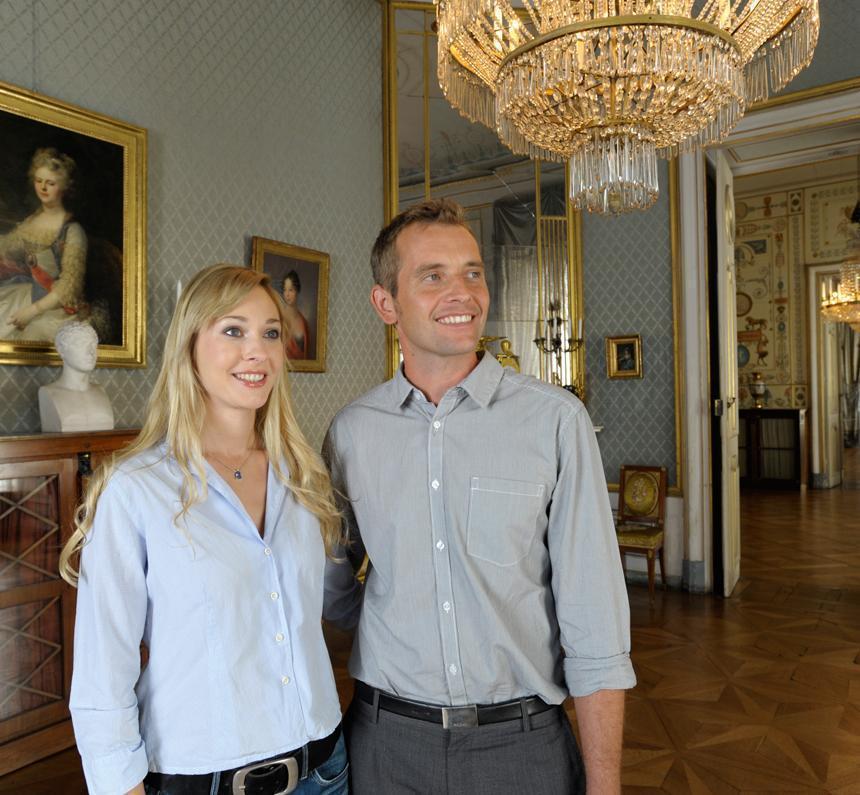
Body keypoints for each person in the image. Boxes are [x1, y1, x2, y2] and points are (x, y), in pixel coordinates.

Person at [324, 199, 635, 794]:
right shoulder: (351, 433)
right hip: (386, 743)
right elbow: (333, 586)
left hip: (521, 746)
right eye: (433, 276)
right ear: (386, 303)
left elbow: (595, 621)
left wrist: (604, 786)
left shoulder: (555, 421)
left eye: (472, 272)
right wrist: (402, 614)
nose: (463, 292)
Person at [60, 264, 349, 795]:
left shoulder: (303, 476)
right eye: (233, 330)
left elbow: (326, 608)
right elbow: (104, 670)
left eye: (270, 333)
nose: (257, 351)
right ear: (189, 346)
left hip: (325, 768)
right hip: (203, 779)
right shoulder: (137, 489)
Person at [0, 148, 87, 341]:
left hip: (56, 309)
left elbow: (68, 288)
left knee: (30, 334)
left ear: (64, 186)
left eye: (50, 183)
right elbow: (7, 247)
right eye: (39, 181)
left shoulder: (72, 231)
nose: (43, 188)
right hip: (30, 295)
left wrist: (33, 310)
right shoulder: (31, 222)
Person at [39, 321, 113, 432]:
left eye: (93, 345)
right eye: (81, 344)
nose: (91, 352)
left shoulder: (101, 391)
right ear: (62, 350)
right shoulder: (48, 393)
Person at [282, 269, 310, 359]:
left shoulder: (304, 322)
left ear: (297, 291)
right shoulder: (279, 318)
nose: (287, 294)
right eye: (285, 290)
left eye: (291, 290)